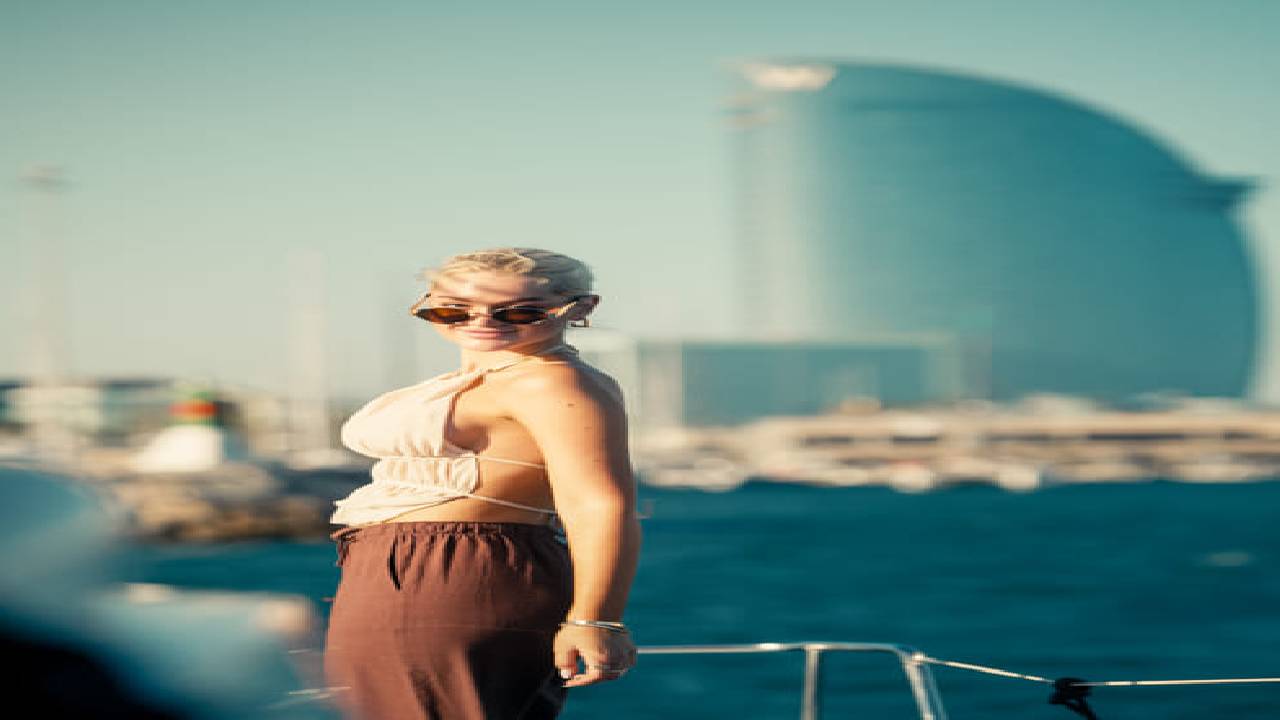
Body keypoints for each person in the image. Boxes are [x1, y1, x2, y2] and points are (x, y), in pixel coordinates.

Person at [323, 247, 641, 720]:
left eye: (519, 311)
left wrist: (596, 618)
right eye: (452, 309)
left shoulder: (551, 382)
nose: (482, 322)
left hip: (455, 570)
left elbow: (599, 503)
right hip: (406, 571)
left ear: (580, 308)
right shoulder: (481, 377)